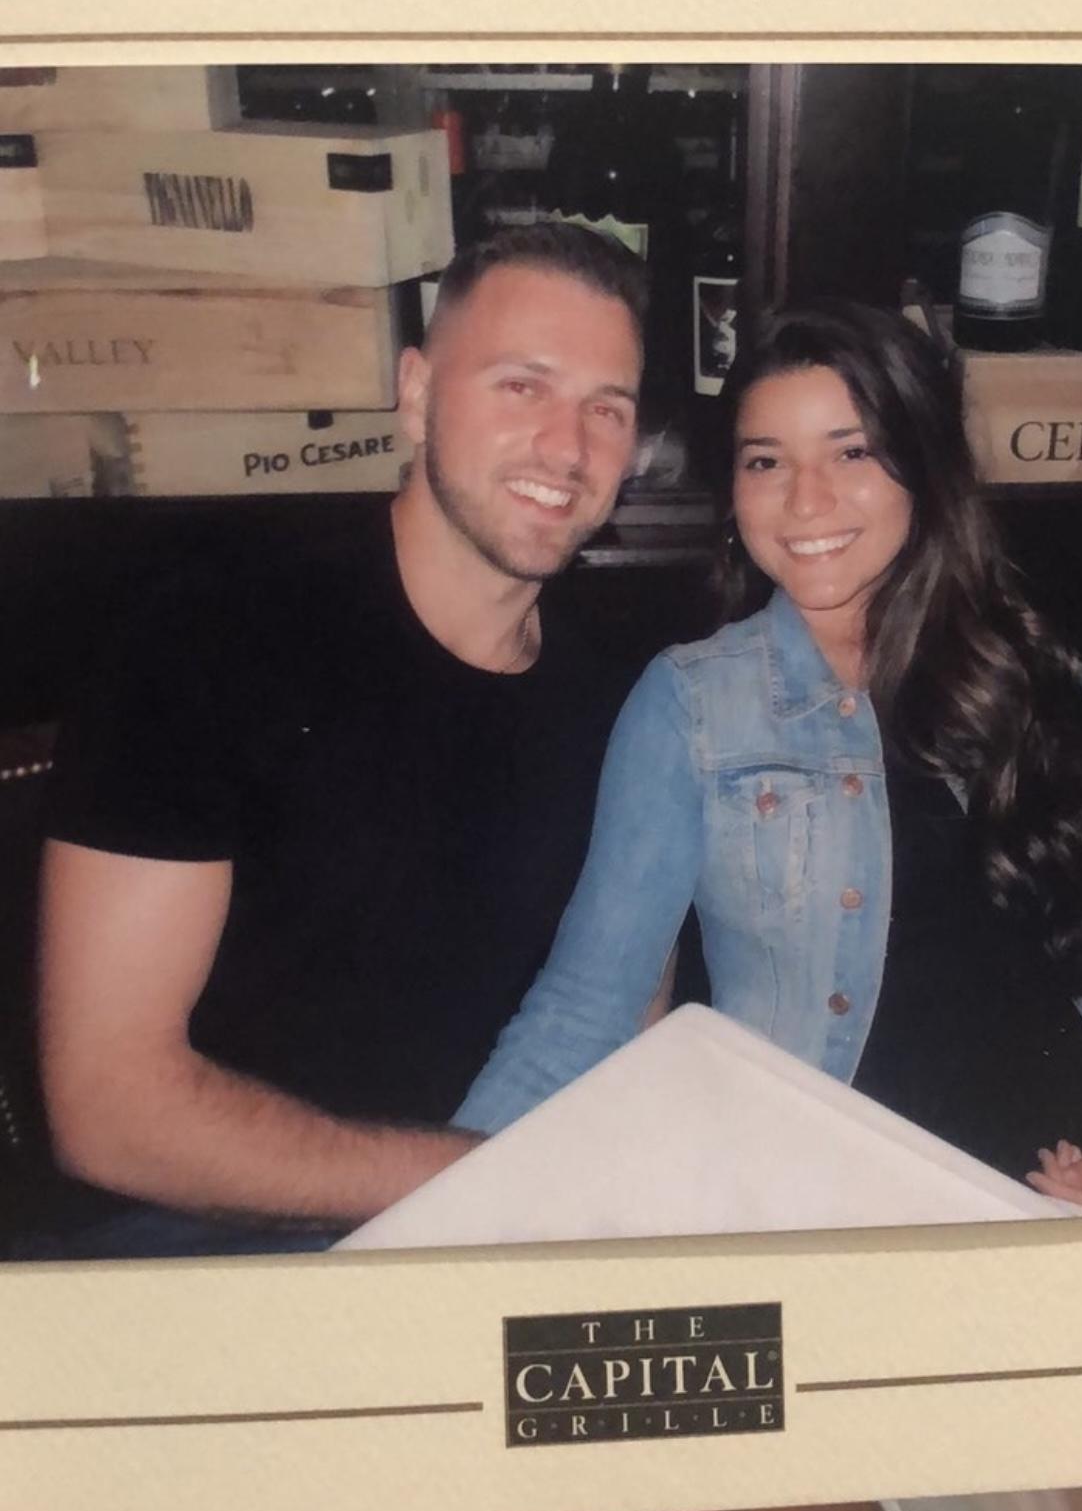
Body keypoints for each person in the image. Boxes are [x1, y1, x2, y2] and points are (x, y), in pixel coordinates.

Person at [453, 301, 1082, 1216]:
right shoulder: (695, 703)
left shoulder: (1037, 677)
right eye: (766, 461)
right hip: (811, 1216)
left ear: (923, 467)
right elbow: (588, 1002)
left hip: (1039, 1204)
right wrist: (435, 1222)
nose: (806, 499)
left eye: (851, 452)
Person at [20, 221, 647, 1258]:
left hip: (485, 1241)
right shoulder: (208, 637)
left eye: (606, 408)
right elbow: (108, 1109)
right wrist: (483, 1182)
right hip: (190, 1241)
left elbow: (627, 1034)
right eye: (521, 386)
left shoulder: (619, 704)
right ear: (415, 394)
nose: (567, 447)